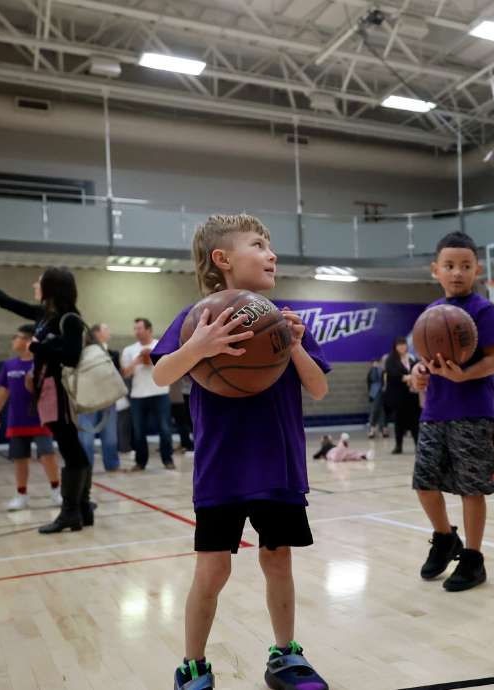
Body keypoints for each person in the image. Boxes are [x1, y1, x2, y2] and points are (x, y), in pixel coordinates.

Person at [149, 213, 330, 690]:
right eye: (259, 244)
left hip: (279, 467)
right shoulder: (196, 320)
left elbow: (318, 388)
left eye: (271, 246)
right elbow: (161, 375)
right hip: (221, 471)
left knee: (278, 562)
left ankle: (286, 655)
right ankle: (193, 663)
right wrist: (199, 346)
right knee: (212, 570)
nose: (272, 254)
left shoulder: (286, 319)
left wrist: (294, 346)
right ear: (223, 259)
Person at [0, 260, 94, 534]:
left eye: (39, 281)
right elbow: (5, 302)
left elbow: (71, 357)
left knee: (71, 450)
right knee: (72, 450)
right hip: (47, 391)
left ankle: (71, 512)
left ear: (51, 287)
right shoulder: (43, 315)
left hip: (60, 393)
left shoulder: (70, 319)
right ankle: (82, 510)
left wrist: (39, 346)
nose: (34, 285)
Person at [409, 231, 494, 592]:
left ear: (476, 269)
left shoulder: (483, 310)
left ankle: (474, 559)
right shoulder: (431, 314)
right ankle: (446, 536)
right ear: (436, 270)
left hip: (474, 412)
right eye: (449, 266)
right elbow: (423, 363)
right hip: (435, 412)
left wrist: (465, 374)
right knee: (424, 484)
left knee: (470, 488)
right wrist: (419, 373)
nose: (457, 272)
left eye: (465, 266)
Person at [0, 324, 62, 510]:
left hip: (41, 418)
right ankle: (21, 495)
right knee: (20, 458)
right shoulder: (9, 365)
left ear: (28, 341)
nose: (13, 340)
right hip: (17, 419)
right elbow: (3, 391)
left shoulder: (43, 364)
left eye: (16, 336)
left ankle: (56, 492)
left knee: (47, 455)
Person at [123, 318, 176, 470]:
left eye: (139, 328)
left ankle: (168, 460)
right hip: (138, 395)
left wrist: (151, 358)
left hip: (160, 393)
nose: (137, 332)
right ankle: (140, 462)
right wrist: (138, 360)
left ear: (149, 330)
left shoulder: (161, 345)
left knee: (165, 428)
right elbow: (125, 374)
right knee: (138, 431)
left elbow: (170, 367)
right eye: (135, 329)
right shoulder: (129, 349)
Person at [77, 323, 122, 472]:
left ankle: (112, 465)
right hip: (86, 401)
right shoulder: (80, 354)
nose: (109, 331)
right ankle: (85, 466)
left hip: (108, 400)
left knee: (110, 437)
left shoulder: (112, 354)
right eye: (106, 329)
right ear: (96, 333)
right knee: (86, 438)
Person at [385, 337, 420, 454]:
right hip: (398, 396)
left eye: (403, 344)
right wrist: (406, 377)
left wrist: (414, 378)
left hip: (412, 394)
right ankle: (398, 446)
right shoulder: (391, 359)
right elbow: (392, 373)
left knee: (415, 420)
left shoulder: (412, 358)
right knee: (399, 421)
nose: (402, 347)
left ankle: (417, 445)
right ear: (395, 346)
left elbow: (418, 370)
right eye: (399, 345)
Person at [169, 376, 195, 452]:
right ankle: (186, 443)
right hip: (181, 393)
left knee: (189, 421)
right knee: (183, 421)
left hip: (189, 393)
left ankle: (192, 445)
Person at [366, 358, 389, 439]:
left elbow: (385, 381)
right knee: (375, 409)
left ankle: (381, 428)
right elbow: (372, 379)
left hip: (382, 392)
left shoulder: (383, 370)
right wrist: (375, 368)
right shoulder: (372, 371)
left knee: (381, 411)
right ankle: (374, 428)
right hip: (374, 393)